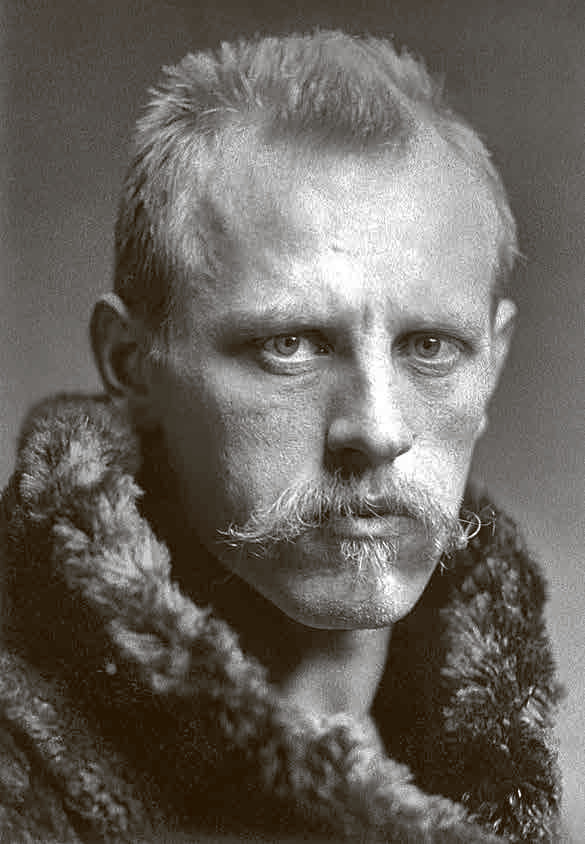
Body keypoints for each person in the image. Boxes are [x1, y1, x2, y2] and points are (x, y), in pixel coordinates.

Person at [0, 30, 561, 843]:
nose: (377, 429)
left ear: (493, 362)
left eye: (430, 347)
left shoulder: (515, 796)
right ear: (131, 364)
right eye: (288, 344)